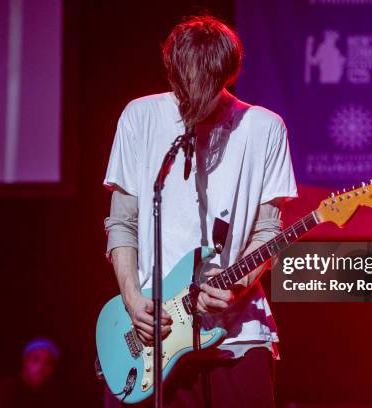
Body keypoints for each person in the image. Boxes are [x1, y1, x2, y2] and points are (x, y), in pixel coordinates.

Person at [103, 15, 297, 407]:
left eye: (205, 85)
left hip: (238, 339)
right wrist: (132, 299)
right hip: (153, 337)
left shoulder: (263, 128)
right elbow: (122, 223)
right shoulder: (139, 118)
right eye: (184, 82)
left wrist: (235, 285)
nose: (192, 94)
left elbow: (268, 233)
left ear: (227, 75)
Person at [0, 338, 63, 408]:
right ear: (25, 361)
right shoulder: (7, 389)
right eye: (35, 360)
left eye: (48, 363)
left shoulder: (52, 395)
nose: (41, 367)